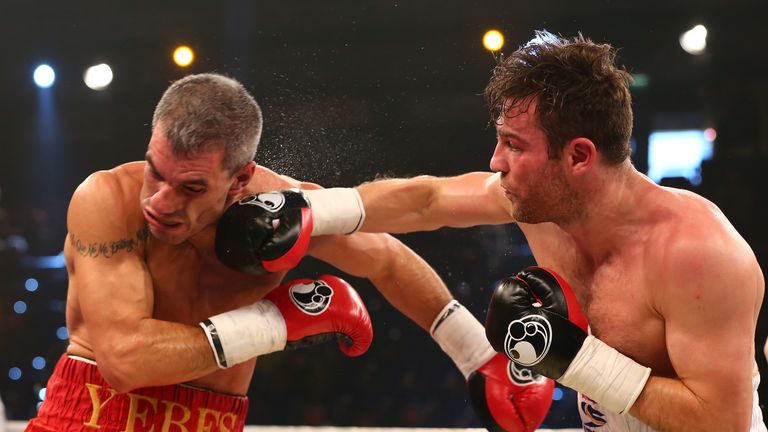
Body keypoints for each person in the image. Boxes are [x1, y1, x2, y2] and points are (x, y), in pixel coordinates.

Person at [254, 32, 767, 431]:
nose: (495, 161)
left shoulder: (697, 253)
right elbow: (428, 199)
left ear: (579, 156)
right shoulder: (540, 205)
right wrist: (308, 208)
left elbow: (718, 421)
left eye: (514, 145)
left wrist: (572, 358)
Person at [24, 73, 553, 432]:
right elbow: (124, 360)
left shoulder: (280, 215)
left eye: (190, 188)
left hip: (212, 417)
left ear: (240, 180)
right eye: (155, 172)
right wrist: (276, 322)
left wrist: (475, 354)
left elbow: (387, 257)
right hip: (91, 414)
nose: (159, 201)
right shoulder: (108, 201)